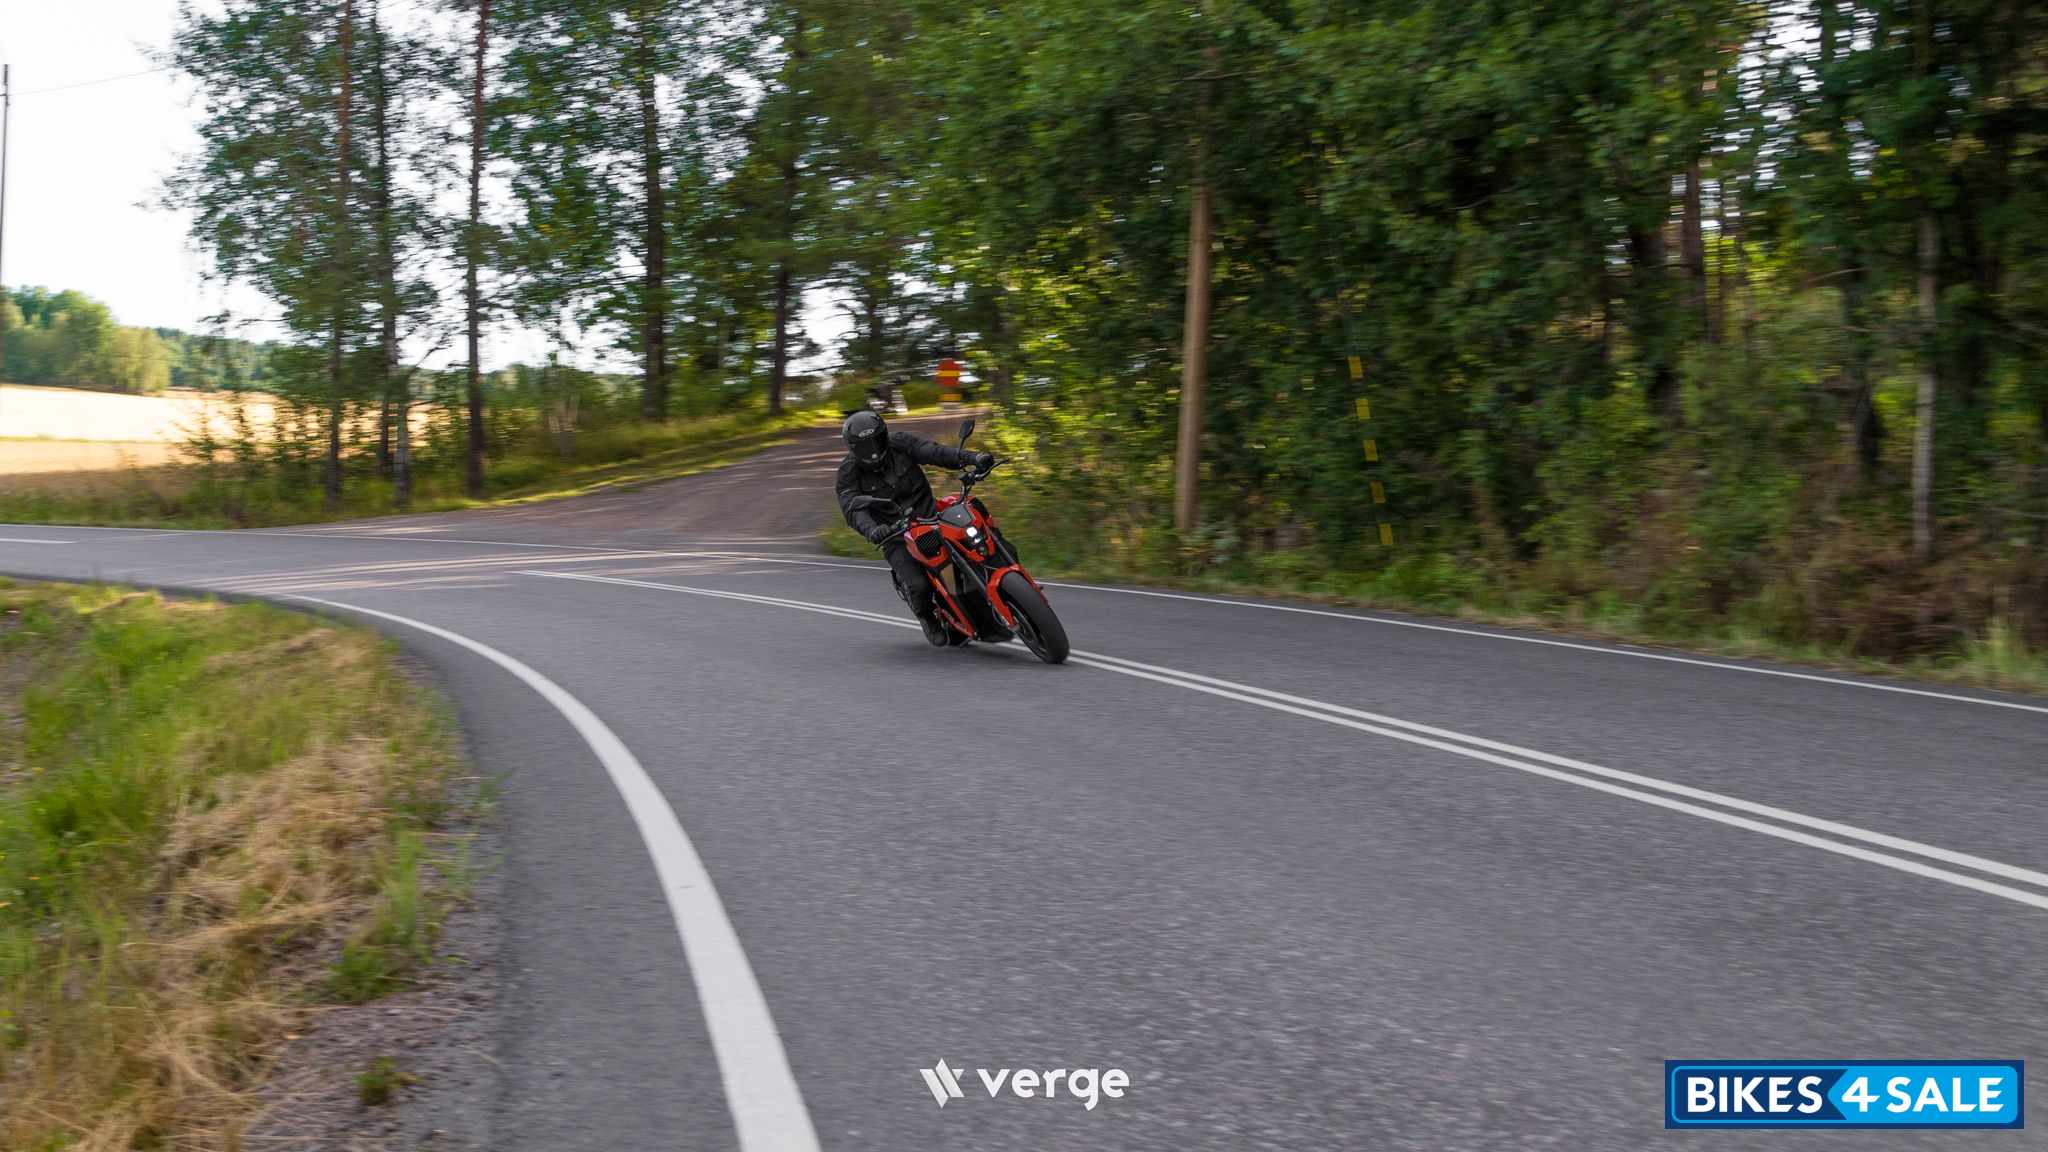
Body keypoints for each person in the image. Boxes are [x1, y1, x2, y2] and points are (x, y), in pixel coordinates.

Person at [836, 410, 994, 645]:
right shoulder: (848, 472)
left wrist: (971, 457)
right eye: (864, 447)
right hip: (896, 535)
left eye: (876, 442)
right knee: (918, 584)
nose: (872, 451)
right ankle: (927, 617)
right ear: (852, 448)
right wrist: (873, 530)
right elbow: (852, 508)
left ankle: (1011, 577)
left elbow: (933, 452)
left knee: (980, 532)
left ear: (884, 436)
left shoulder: (900, 443)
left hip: (932, 517)